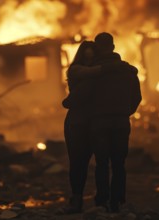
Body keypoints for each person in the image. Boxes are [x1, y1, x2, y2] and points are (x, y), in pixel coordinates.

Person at [58, 40, 128, 214]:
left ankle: (101, 201)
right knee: (77, 164)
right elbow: (92, 73)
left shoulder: (99, 73)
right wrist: (116, 67)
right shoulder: (76, 70)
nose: (89, 60)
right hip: (76, 123)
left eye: (92, 57)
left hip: (95, 123)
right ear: (81, 56)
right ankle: (76, 200)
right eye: (86, 56)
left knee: (101, 164)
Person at [88, 32, 141, 212]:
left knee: (102, 163)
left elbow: (85, 98)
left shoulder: (92, 72)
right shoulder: (128, 71)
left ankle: (102, 200)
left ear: (97, 49)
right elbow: (137, 98)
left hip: (100, 123)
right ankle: (117, 201)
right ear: (113, 47)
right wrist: (125, 113)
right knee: (119, 164)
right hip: (120, 122)